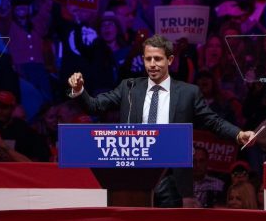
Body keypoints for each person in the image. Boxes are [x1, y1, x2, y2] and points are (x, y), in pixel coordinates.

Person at [68, 34, 255, 207]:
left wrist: (238, 134)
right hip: (130, 176)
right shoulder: (129, 87)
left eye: (157, 59)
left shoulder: (188, 93)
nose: (152, 64)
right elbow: (94, 106)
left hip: (171, 178)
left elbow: (213, 121)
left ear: (170, 60)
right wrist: (79, 91)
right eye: (148, 59)